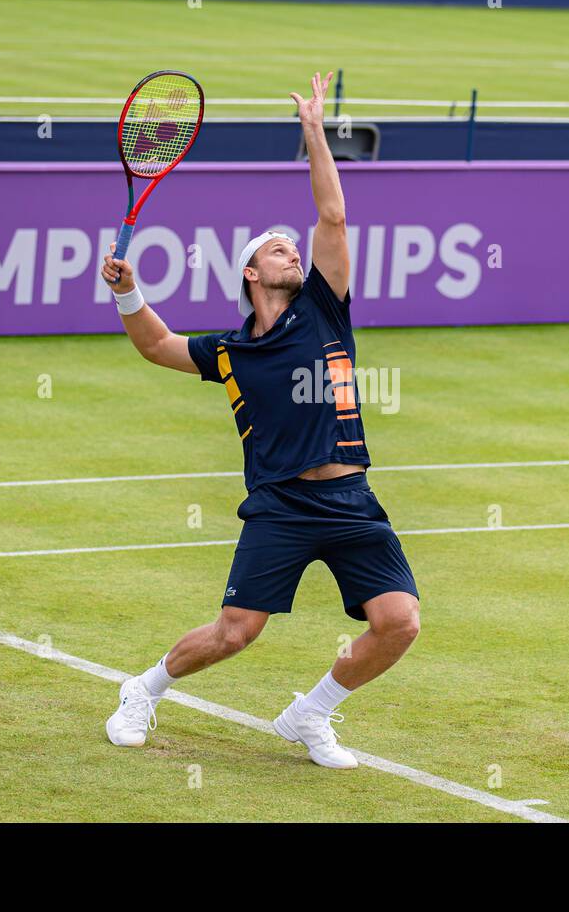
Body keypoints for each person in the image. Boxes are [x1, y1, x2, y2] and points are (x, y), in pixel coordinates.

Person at [98, 72, 420, 768]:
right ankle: (142, 690)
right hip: (281, 504)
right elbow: (157, 345)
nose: (293, 255)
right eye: (278, 251)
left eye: (293, 252)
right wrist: (130, 293)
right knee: (236, 633)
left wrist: (314, 129)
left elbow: (331, 217)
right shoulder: (231, 350)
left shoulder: (324, 307)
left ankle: (311, 715)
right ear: (250, 272)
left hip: (352, 500)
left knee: (399, 624)